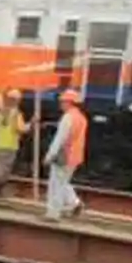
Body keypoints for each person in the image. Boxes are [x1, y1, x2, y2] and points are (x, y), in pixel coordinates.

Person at [44, 88, 88, 221]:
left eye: (63, 101)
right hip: (75, 156)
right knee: (62, 182)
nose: (61, 104)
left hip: (64, 155)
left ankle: (53, 214)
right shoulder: (81, 118)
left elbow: (60, 139)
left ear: (69, 102)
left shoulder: (68, 117)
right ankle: (75, 203)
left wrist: (49, 155)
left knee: (55, 185)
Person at [0, 87, 28, 197]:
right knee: (5, 170)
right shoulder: (16, 114)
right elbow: (21, 129)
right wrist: (32, 124)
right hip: (10, 145)